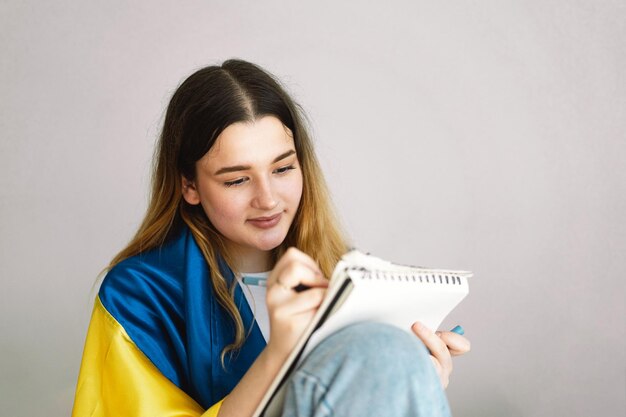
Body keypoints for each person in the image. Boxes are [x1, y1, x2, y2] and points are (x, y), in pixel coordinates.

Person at [71, 59, 470, 417]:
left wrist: (411, 384)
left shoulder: (345, 276)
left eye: (282, 169)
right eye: (237, 179)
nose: (267, 199)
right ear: (189, 185)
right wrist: (281, 351)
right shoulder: (138, 294)